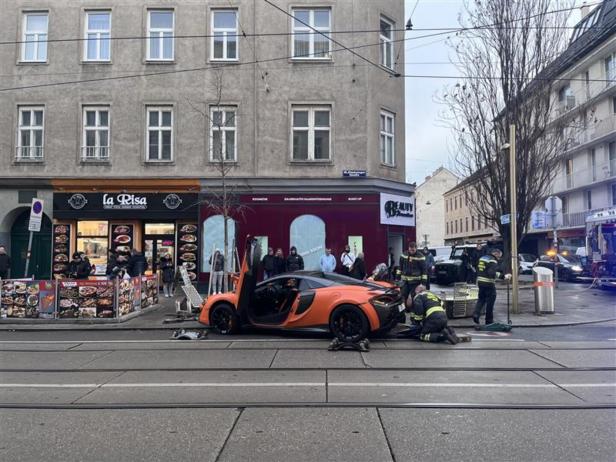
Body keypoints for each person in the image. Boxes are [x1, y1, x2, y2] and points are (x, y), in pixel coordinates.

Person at [473, 248, 511, 325]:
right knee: (490, 301)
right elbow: (492, 273)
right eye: (499, 257)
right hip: (488, 283)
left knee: (481, 299)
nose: (498, 259)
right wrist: (504, 276)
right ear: (496, 254)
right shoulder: (492, 260)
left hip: (480, 282)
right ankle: (489, 321)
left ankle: (476, 314)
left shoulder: (482, 258)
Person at [396, 242, 428, 311]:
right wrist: (397, 277)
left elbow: (424, 271)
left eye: (413, 250)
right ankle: (405, 310)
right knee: (403, 295)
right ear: (408, 248)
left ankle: (413, 310)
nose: (411, 252)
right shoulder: (404, 255)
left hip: (415, 282)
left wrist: (423, 283)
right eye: (410, 250)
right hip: (405, 282)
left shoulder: (420, 257)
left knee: (412, 297)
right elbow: (400, 267)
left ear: (416, 248)